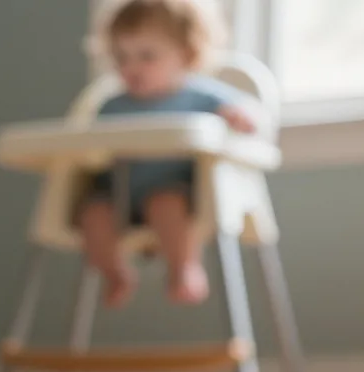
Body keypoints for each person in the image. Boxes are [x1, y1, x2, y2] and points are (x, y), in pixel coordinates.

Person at [78, 0, 258, 308]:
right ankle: (115, 273)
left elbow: (246, 114)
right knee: (92, 214)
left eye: (146, 56)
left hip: (176, 192)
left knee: (166, 203)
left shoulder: (201, 96)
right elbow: (89, 150)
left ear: (185, 54)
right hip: (119, 195)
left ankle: (183, 268)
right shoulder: (111, 107)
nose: (131, 67)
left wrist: (238, 118)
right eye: (121, 57)